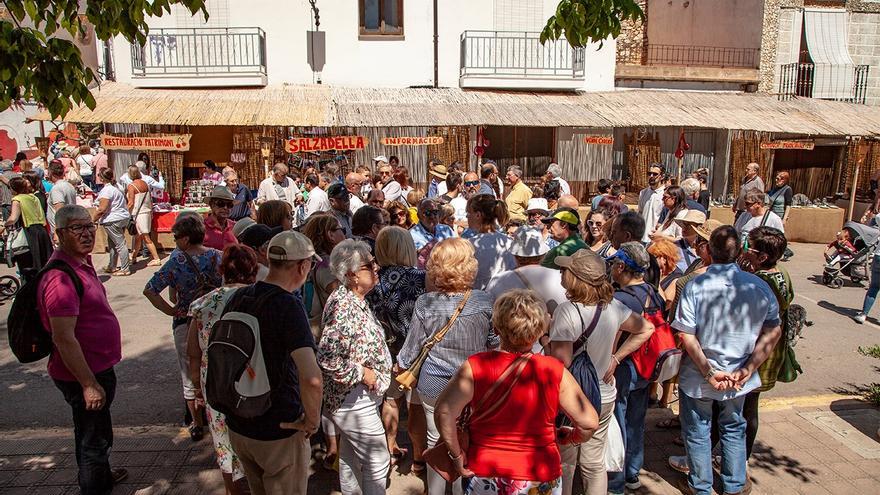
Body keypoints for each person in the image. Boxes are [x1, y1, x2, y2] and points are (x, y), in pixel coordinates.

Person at [435, 289, 599, 494]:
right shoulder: (554, 371)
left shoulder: (475, 366)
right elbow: (589, 422)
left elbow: (444, 412)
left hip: (486, 472)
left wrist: (457, 456)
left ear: (495, 328)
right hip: (539, 474)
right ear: (540, 331)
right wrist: (573, 437)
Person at [671, 225, 781, 495]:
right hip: (737, 378)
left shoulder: (697, 285)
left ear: (709, 251)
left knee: (698, 430)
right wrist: (748, 368)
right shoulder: (758, 286)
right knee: (734, 427)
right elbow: (773, 330)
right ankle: (733, 485)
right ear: (739, 251)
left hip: (700, 376)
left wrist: (709, 373)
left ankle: (702, 487)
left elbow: (686, 335)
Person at [220, 231, 323, 495]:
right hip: (278, 427)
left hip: (240, 422)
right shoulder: (288, 306)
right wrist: (311, 421)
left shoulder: (239, 296)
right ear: (302, 266)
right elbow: (311, 377)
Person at [397, 238, 499, 495]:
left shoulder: (425, 303)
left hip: (434, 384)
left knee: (436, 440)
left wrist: (401, 367)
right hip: (473, 384)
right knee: (469, 439)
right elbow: (494, 342)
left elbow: (411, 349)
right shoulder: (484, 301)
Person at [548, 249, 654, 495]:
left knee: (566, 460)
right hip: (604, 394)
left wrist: (545, 337)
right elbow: (646, 328)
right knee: (595, 464)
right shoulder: (613, 306)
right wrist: (616, 358)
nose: (561, 273)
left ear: (575, 278)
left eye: (565, 270)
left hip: (572, 398)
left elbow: (560, 362)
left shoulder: (568, 311)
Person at [38, 205, 127, 492]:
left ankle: (101, 475)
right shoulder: (60, 278)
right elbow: (63, 337)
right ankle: (94, 484)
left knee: (98, 433)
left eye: (90, 226)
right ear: (60, 233)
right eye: (78, 228)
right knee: (92, 440)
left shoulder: (81, 263)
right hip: (83, 373)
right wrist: (88, 384)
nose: (87, 233)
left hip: (98, 367)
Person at [317, 240, 393, 495]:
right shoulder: (344, 306)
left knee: (351, 460)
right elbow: (327, 357)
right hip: (353, 400)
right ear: (351, 274)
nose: (377, 267)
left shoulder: (350, 298)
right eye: (369, 265)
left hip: (355, 399)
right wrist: (363, 372)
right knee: (378, 461)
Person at [143, 214, 222, 442]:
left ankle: (196, 423)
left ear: (186, 239)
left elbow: (150, 290)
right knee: (215, 370)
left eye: (176, 237)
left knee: (189, 374)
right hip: (215, 321)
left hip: (186, 323)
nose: (175, 241)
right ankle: (215, 418)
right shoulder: (217, 257)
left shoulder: (176, 262)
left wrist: (172, 310)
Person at [186, 245, 258, 494]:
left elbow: (193, 353)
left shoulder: (203, 304)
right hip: (253, 377)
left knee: (223, 439)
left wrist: (196, 387)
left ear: (222, 270)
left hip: (214, 380)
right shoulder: (260, 299)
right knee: (257, 435)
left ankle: (233, 490)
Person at [365, 226, 428, 472]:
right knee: (416, 407)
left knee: (391, 401)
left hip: (387, 352)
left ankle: (389, 448)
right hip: (417, 354)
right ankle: (419, 457)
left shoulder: (373, 280)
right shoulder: (420, 278)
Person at [606, 242, 663, 495]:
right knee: (635, 422)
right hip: (647, 368)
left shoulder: (621, 300)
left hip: (625, 369)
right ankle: (632, 474)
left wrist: (615, 358)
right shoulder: (652, 292)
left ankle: (616, 483)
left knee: (617, 425)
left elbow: (616, 337)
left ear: (621, 267)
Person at [485, 227, 567, 346]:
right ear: (543, 254)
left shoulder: (499, 280)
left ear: (515, 255)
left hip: (511, 351)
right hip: (551, 349)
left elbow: (491, 320)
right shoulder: (560, 277)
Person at [5, 176, 53, 283]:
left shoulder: (17, 200)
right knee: (43, 262)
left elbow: (13, 218)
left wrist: (5, 224)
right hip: (42, 231)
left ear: (14, 188)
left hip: (29, 233)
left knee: (29, 266)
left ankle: (29, 292)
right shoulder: (33, 197)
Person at [302, 214, 346, 329]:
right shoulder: (326, 265)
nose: (344, 234)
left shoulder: (320, 261)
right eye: (341, 229)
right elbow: (342, 296)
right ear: (330, 235)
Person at [465, 194, 516, 290]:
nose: (467, 217)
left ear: (478, 215)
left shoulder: (469, 245)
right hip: (505, 297)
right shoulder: (509, 242)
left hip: (478, 300)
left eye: (468, 213)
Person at [92, 169, 132, 276]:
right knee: (113, 243)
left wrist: (92, 220)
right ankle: (112, 266)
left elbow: (102, 209)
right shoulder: (116, 188)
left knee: (120, 244)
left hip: (113, 219)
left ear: (101, 178)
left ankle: (125, 268)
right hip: (120, 217)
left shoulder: (107, 191)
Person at [125, 166, 162, 268]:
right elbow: (149, 199)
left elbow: (131, 202)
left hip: (139, 214)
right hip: (146, 212)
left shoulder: (131, 186)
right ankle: (133, 257)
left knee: (145, 237)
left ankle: (156, 258)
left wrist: (124, 211)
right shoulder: (144, 183)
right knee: (138, 237)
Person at [410, 198, 454, 267]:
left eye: (435, 212)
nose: (432, 216)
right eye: (428, 213)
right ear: (419, 216)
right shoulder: (411, 235)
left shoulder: (446, 229)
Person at [47, 160, 77, 239]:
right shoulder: (69, 185)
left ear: (51, 173)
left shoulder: (57, 188)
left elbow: (59, 210)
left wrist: (57, 232)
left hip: (62, 230)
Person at [767, 170, 794, 260]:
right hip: (771, 214)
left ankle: (785, 251)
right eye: (776, 178)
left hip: (779, 215)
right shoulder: (775, 189)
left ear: (784, 180)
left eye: (778, 179)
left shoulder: (787, 190)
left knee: (778, 235)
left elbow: (788, 205)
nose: (776, 180)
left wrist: (785, 218)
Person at [203, 186, 238, 251]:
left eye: (229, 205)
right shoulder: (201, 227)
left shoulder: (235, 226)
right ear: (211, 205)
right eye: (221, 204)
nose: (225, 208)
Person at [638, 164, 666, 243]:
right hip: (642, 237)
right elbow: (640, 213)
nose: (651, 176)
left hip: (656, 239)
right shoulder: (643, 193)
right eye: (649, 173)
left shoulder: (666, 195)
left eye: (655, 174)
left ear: (662, 176)